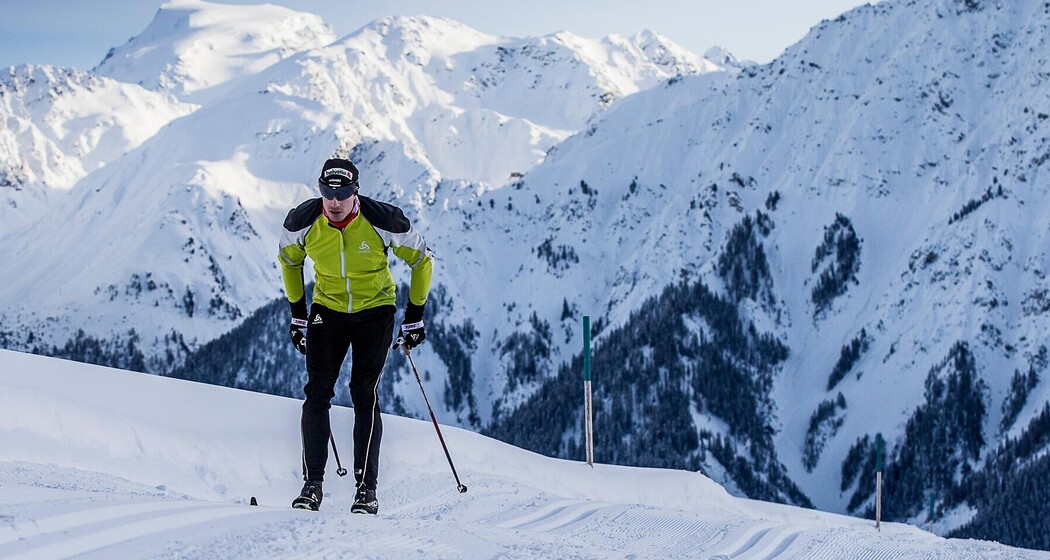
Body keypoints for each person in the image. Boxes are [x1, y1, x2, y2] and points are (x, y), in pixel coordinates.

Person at [278, 157, 433, 514]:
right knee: (317, 392)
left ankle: (366, 489)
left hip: (375, 311)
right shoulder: (301, 222)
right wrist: (298, 317)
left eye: (342, 193)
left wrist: (415, 317)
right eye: (327, 193)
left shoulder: (383, 220)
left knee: (363, 392)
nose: (334, 202)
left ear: (355, 192)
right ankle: (312, 485)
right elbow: (289, 261)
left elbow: (422, 260)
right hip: (327, 309)